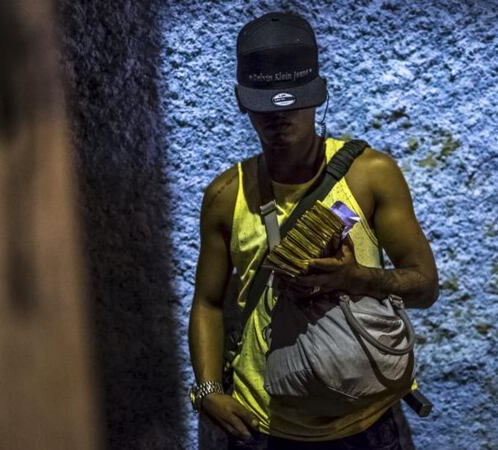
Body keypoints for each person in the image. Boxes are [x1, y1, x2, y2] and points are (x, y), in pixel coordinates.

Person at [188, 11, 439, 450]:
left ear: (317, 97)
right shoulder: (227, 195)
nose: (279, 120)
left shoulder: (371, 175)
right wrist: (209, 393)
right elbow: (208, 303)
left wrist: (358, 279)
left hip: (365, 421)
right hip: (261, 426)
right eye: (265, 107)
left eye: (291, 105)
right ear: (243, 102)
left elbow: (425, 285)